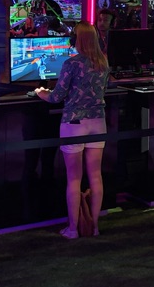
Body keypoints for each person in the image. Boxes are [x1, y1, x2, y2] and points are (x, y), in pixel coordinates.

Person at [35, 21, 110, 239]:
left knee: (74, 179)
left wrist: (40, 93)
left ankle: (73, 229)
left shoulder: (71, 63)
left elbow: (56, 97)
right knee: (95, 175)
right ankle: (94, 227)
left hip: (74, 123)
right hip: (98, 121)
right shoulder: (103, 61)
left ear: (76, 39)